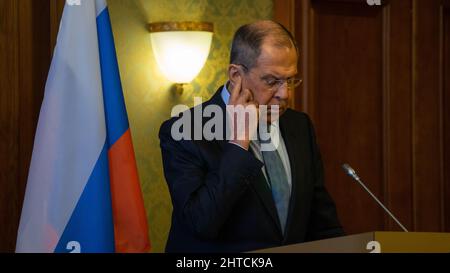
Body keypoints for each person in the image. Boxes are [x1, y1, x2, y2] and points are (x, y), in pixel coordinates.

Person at [159, 20, 344, 253]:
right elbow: (201, 223)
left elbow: (322, 224)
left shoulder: (299, 125)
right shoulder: (184, 130)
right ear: (236, 75)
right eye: (272, 81)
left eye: (290, 80)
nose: (284, 94)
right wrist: (239, 140)